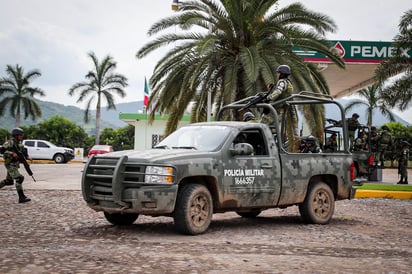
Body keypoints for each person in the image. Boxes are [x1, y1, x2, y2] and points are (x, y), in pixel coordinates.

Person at [260, 64, 298, 151]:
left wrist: (267, 99)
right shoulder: (289, 83)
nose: (277, 74)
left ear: (282, 74)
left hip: (274, 110)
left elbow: (278, 92)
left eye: (278, 73)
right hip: (280, 110)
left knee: (262, 126)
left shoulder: (281, 82)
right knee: (272, 129)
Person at [0, 128, 31, 203]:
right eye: (20, 135)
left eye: (22, 135)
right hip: (10, 164)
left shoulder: (19, 144)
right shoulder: (9, 142)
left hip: (15, 164)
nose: (21, 137)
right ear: (16, 135)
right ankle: (21, 198)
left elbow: (22, 153)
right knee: (19, 178)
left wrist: (27, 157)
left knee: (9, 181)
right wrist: (11, 153)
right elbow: (2, 151)